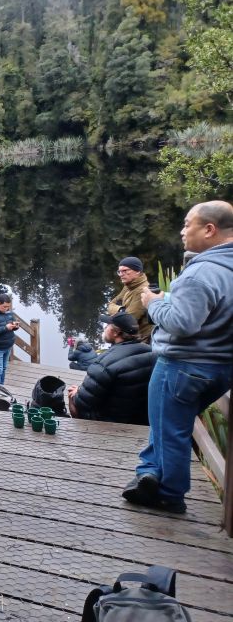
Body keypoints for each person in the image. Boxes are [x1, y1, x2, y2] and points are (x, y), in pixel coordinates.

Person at [123, 200, 233, 514]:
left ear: (209, 230)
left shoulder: (202, 272)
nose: (182, 231)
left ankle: (169, 494)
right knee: (167, 422)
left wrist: (153, 303)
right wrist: (169, 298)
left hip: (184, 365)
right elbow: (211, 308)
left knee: (170, 429)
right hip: (220, 366)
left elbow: (184, 323)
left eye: (188, 224)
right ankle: (150, 472)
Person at [66, 311, 156, 425]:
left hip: (112, 423)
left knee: (73, 397)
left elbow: (82, 402)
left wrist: (77, 392)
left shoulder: (104, 363)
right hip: (142, 420)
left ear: (116, 332)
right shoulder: (152, 352)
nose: (105, 328)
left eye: (107, 325)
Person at [106, 256, 153, 343]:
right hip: (131, 337)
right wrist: (121, 310)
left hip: (142, 341)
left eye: (125, 271)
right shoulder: (128, 286)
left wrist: (117, 310)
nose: (121, 274)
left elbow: (128, 321)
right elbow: (111, 304)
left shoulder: (142, 290)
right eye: (119, 271)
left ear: (138, 271)